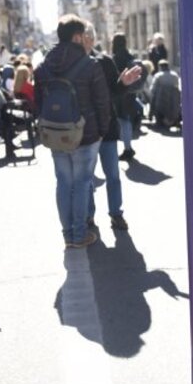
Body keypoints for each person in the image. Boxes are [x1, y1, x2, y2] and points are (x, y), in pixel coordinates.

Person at [34, 14, 110, 249]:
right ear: (77, 37)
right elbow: (102, 102)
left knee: (63, 183)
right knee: (82, 183)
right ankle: (78, 234)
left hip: (55, 134)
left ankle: (68, 234)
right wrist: (102, 130)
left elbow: (38, 103)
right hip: (85, 134)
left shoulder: (43, 67)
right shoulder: (90, 65)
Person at [83, 22, 142, 231]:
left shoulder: (104, 61)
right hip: (85, 132)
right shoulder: (73, 65)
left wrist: (123, 83)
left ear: (92, 40)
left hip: (106, 129)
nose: (83, 41)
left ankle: (116, 214)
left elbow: (115, 92)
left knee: (113, 176)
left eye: (87, 37)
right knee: (87, 178)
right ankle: (88, 216)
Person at [111, 33, 141, 161]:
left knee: (122, 120)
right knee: (126, 119)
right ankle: (128, 147)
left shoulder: (115, 58)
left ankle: (128, 149)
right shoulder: (130, 56)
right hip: (131, 93)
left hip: (121, 93)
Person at [150, 59, 181, 127]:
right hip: (172, 100)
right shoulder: (175, 75)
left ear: (160, 67)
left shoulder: (158, 75)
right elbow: (177, 86)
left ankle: (154, 118)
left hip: (161, 98)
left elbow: (153, 88)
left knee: (153, 99)